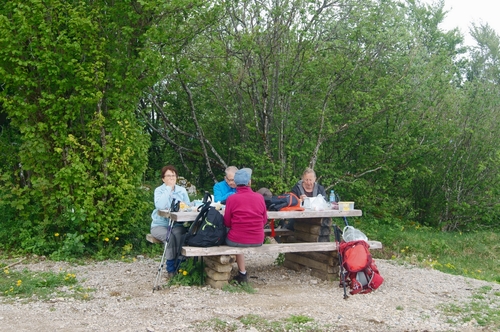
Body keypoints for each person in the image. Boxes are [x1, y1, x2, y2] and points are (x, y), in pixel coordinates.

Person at [223, 168, 267, 284]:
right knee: (239, 235)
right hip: (258, 239)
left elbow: (227, 222)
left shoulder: (231, 199)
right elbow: (264, 220)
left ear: (236, 184)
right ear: (249, 182)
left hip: (237, 239)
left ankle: (240, 272)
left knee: (229, 235)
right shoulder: (259, 197)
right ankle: (242, 273)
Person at [150, 165, 191, 277]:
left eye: (173, 175)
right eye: (168, 176)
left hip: (176, 223)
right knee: (170, 237)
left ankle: (181, 265)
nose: (171, 178)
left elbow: (187, 206)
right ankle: (171, 268)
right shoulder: (159, 190)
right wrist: (168, 188)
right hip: (160, 224)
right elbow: (160, 205)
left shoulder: (181, 190)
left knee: (180, 235)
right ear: (163, 178)